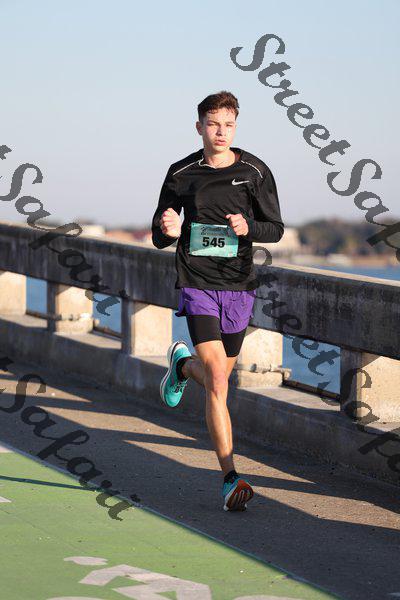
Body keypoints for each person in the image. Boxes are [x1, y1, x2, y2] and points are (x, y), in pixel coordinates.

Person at [151, 90, 284, 511]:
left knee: (217, 379)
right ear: (199, 127)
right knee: (220, 382)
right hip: (197, 283)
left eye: (228, 124)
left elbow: (275, 228)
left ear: (236, 126)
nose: (221, 132)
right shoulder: (181, 173)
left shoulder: (255, 171)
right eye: (213, 124)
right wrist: (169, 230)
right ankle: (230, 478)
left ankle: (182, 366)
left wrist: (249, 228)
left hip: (239, 286)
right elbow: (158, 235)